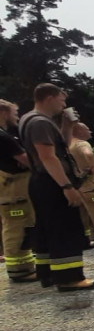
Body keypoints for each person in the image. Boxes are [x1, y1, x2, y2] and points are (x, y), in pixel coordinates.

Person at [18, 83, 94, 291]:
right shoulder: (39, 122)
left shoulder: (31, 119)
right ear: (49, 98)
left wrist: (67, 126)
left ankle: (48, 275)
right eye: (61, 100)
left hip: (41, 182)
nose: (63, 104)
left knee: (46, 230)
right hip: (52, 182)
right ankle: (70, 278)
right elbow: (48, 157)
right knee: (65, 229)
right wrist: (66, 185)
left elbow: (61, 147)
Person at [0, 99, 37, 282]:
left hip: (10, 188)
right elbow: (26, 159)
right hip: (13, 189)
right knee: (17, 226)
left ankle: (23, 265)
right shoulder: (3, 137)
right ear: (4, 113)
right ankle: (18, 270)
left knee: (19, 224)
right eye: (15, 113)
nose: (17, 116)